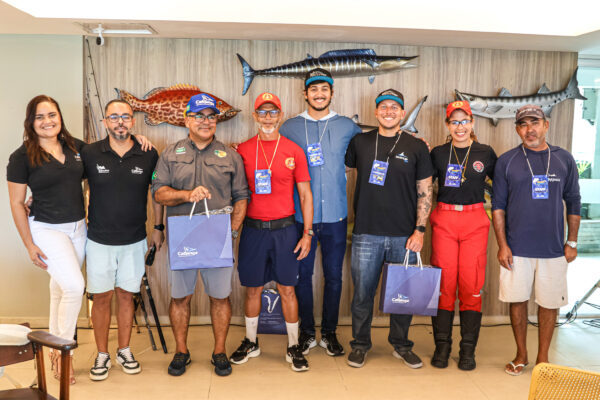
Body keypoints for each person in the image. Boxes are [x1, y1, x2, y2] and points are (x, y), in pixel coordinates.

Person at [152, 94, 249, 377]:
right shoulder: (170, 154)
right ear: (187, 120)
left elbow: (242, 197)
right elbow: (158, 193)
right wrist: (186, 195)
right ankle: (181, 352)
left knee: (220, 297)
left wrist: (232, 231)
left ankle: (219, 352)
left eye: (211, 116)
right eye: (199, 116)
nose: (205, 121)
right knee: (180, 298)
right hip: (183, 238)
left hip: (218, 239)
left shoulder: (230, 156)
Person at [344, 89, 434, 368]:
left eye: (394, 107)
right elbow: (340, 171)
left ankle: (401, 344)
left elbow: (425, 190)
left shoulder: (416, 146)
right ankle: (360, 345)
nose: (388, 111)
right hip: (366, 233)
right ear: (376, 112)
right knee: (362, 295)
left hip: (404, 235)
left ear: (402, 113)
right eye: (383, 107)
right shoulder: (360, 142)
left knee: (403, 297)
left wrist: (420, 230)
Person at [492, 104, 581, 376]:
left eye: (535, 123)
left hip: (553, 248)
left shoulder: (564, 159)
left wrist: (572, 242)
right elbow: (498, 207)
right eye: (523, 124)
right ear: (517, 129)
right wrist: (502, 245)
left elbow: (574, 201)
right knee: (517, 300)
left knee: (549, 303)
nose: (529, 129)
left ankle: (543, 358)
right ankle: (521, 354)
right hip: (516, 247)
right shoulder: (507, 161)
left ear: (546, 125)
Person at [279, 68, 362, 356]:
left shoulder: (348, 126)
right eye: (313, 89)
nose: (319, 94)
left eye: (324, 89)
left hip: (336, 216)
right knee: (302, 276)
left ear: (331, 93)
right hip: (302, 219)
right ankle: (306, 332)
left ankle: (328, 333)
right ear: (305, 94)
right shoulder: (289, 127)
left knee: (334, 277)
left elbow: (367, 153)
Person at [82, 99, 164, 381]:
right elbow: (67, 180)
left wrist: (158, 227)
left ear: (133, 121)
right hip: (98, 240)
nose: (120, 121)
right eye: (114, 117)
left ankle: (124, 350)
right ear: (105, 121)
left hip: (134, 239)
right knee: (101, 297)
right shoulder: (89, 152)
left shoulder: (148, 153)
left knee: (127, 296)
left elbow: (157, 193)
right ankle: (102, 354)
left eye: (126, 117)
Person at [232, 92, 314, 372]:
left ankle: (293, 346)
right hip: (253, 230)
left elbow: (305, 195)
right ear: (254, 116)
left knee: (287, 289)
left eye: (273, 112)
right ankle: (250, 342)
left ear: (281, 115)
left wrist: (307, 233)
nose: (268, 118)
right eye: (262, 112)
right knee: (252, 288)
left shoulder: (293, 150)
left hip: (285, 230)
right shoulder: (242, 150)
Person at [7, 95, 86, 385]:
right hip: (46, 229)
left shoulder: (76, 147)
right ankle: (63, 353)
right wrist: (30, 245)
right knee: (75, 287)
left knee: (60, 288)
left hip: (79, 228)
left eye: (52, 114)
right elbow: (17, 203)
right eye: (39, 117)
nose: (47, 121)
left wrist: (138, 139)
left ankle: (52, 346)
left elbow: (105, 158)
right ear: (31, 122)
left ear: (59, 117)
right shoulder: (21, 157)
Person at [429, 100, 497, 370]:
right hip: (444, 219)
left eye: (464, 121)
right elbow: (422, 185)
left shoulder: (485, 152)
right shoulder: (438, 153)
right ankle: (442, 347)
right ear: (447, 125)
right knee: (444, 286)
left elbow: (502, 185)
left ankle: (468, 349)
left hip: (475, 221)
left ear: (472, 122)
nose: (460, 127)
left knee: (471, 285)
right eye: (454, 122)